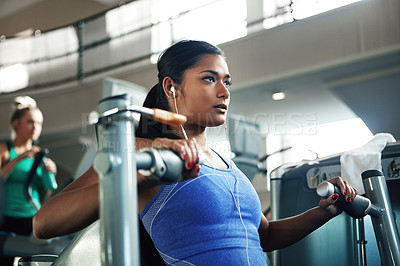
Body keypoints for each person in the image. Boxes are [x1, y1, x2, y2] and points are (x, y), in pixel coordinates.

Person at [33, 40, 358, 265]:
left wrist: (324, 212)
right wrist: (139, 176)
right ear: (172, 87)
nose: (224, 91)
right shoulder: (146, 151)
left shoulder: (226, 164)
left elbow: (265, 235)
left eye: (226, 81)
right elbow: (43, 224)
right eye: (208, 79)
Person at [0, 96, 58, 265]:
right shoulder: (5, 150)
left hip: (31, 218)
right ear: (16, 123)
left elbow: (46, 192)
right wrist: (20, 157)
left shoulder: (39, 156)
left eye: (39, 123)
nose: (36, 128)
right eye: (30, 122)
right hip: (6, 218)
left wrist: (50, 173)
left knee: (35, 261)